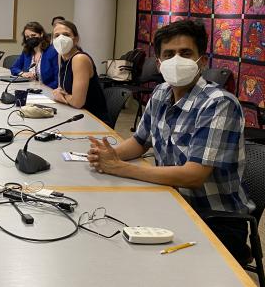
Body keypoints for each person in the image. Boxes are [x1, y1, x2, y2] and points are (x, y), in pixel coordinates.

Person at [86, 20, 252, 264]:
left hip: (214, 218)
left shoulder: (218, 103)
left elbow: (193, 176)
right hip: (169, 199)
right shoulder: (162, 92)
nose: (177, 60)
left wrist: (120, 167)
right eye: (169, 54)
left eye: (185, 53)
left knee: (136, 259)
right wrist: (108, 155)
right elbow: (140, 143)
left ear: (202, 61)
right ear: (160, 63)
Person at [51, 20, 110, 126]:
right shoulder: (61, 57)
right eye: (56, 36)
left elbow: (77, 102)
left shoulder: (79, 59)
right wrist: (64, 95)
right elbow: (63, 90)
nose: (61, 39)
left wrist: (63, 97)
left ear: (76, 39)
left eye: (66, 34)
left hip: (93, 120)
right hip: (75, 114)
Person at [10, 22, 58, 88]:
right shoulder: (27, 51)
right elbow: (14, 68)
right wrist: (23, 74)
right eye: (27, 37)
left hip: (48, 90)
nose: (30, 38)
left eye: (33, 35)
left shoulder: (52, 52)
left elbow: (57, 81)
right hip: (29, 88)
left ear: (41, 34)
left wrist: (42, 88)